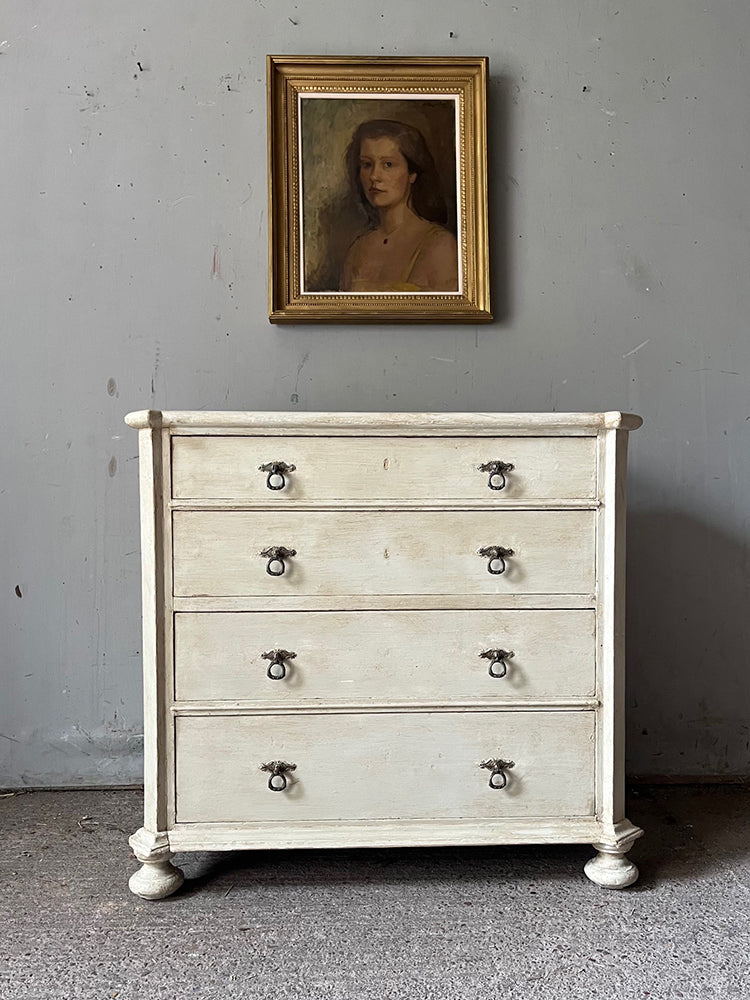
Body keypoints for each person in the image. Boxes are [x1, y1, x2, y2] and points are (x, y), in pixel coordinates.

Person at [339, 119, 459, 293]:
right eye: (367, 164)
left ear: (412, 173)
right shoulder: (357, 250)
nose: (374, 176)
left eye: (388, 164)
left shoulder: (439, 246)